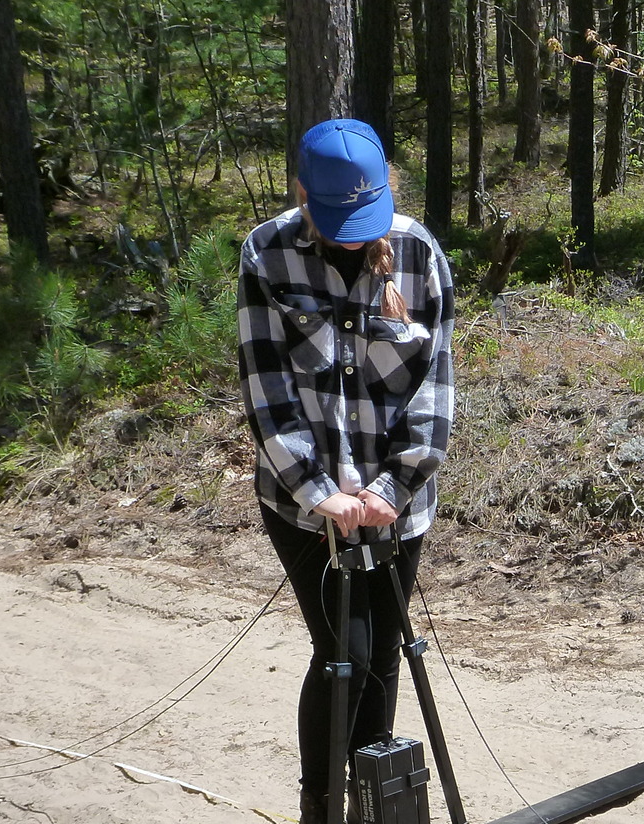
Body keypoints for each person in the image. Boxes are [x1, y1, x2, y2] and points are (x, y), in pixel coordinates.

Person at [237, 118, 455, 824]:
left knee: (385, 652)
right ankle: (323, 808)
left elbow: (435, 387)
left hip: (400, 500)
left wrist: (393, 485)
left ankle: (379, 810)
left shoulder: (420, 254)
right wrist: (321, 492)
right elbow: (267, 391)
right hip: (303, 504)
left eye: (365, 218)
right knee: (345, 654)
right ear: (302, 191)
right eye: (337, 220)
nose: (354, 237)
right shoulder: (266, 254)